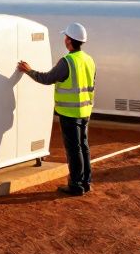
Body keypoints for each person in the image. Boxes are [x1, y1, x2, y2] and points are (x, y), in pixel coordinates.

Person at [17, 22, 95, 197]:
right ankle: (86, 182)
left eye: (65, 37)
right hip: (85, 111)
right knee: (83, 146)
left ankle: (76, 185)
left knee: (74, 149)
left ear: (68, 40)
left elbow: (47, 78)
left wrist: (28, 71)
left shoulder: (67, 61)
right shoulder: (89, 60)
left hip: (70, 113)